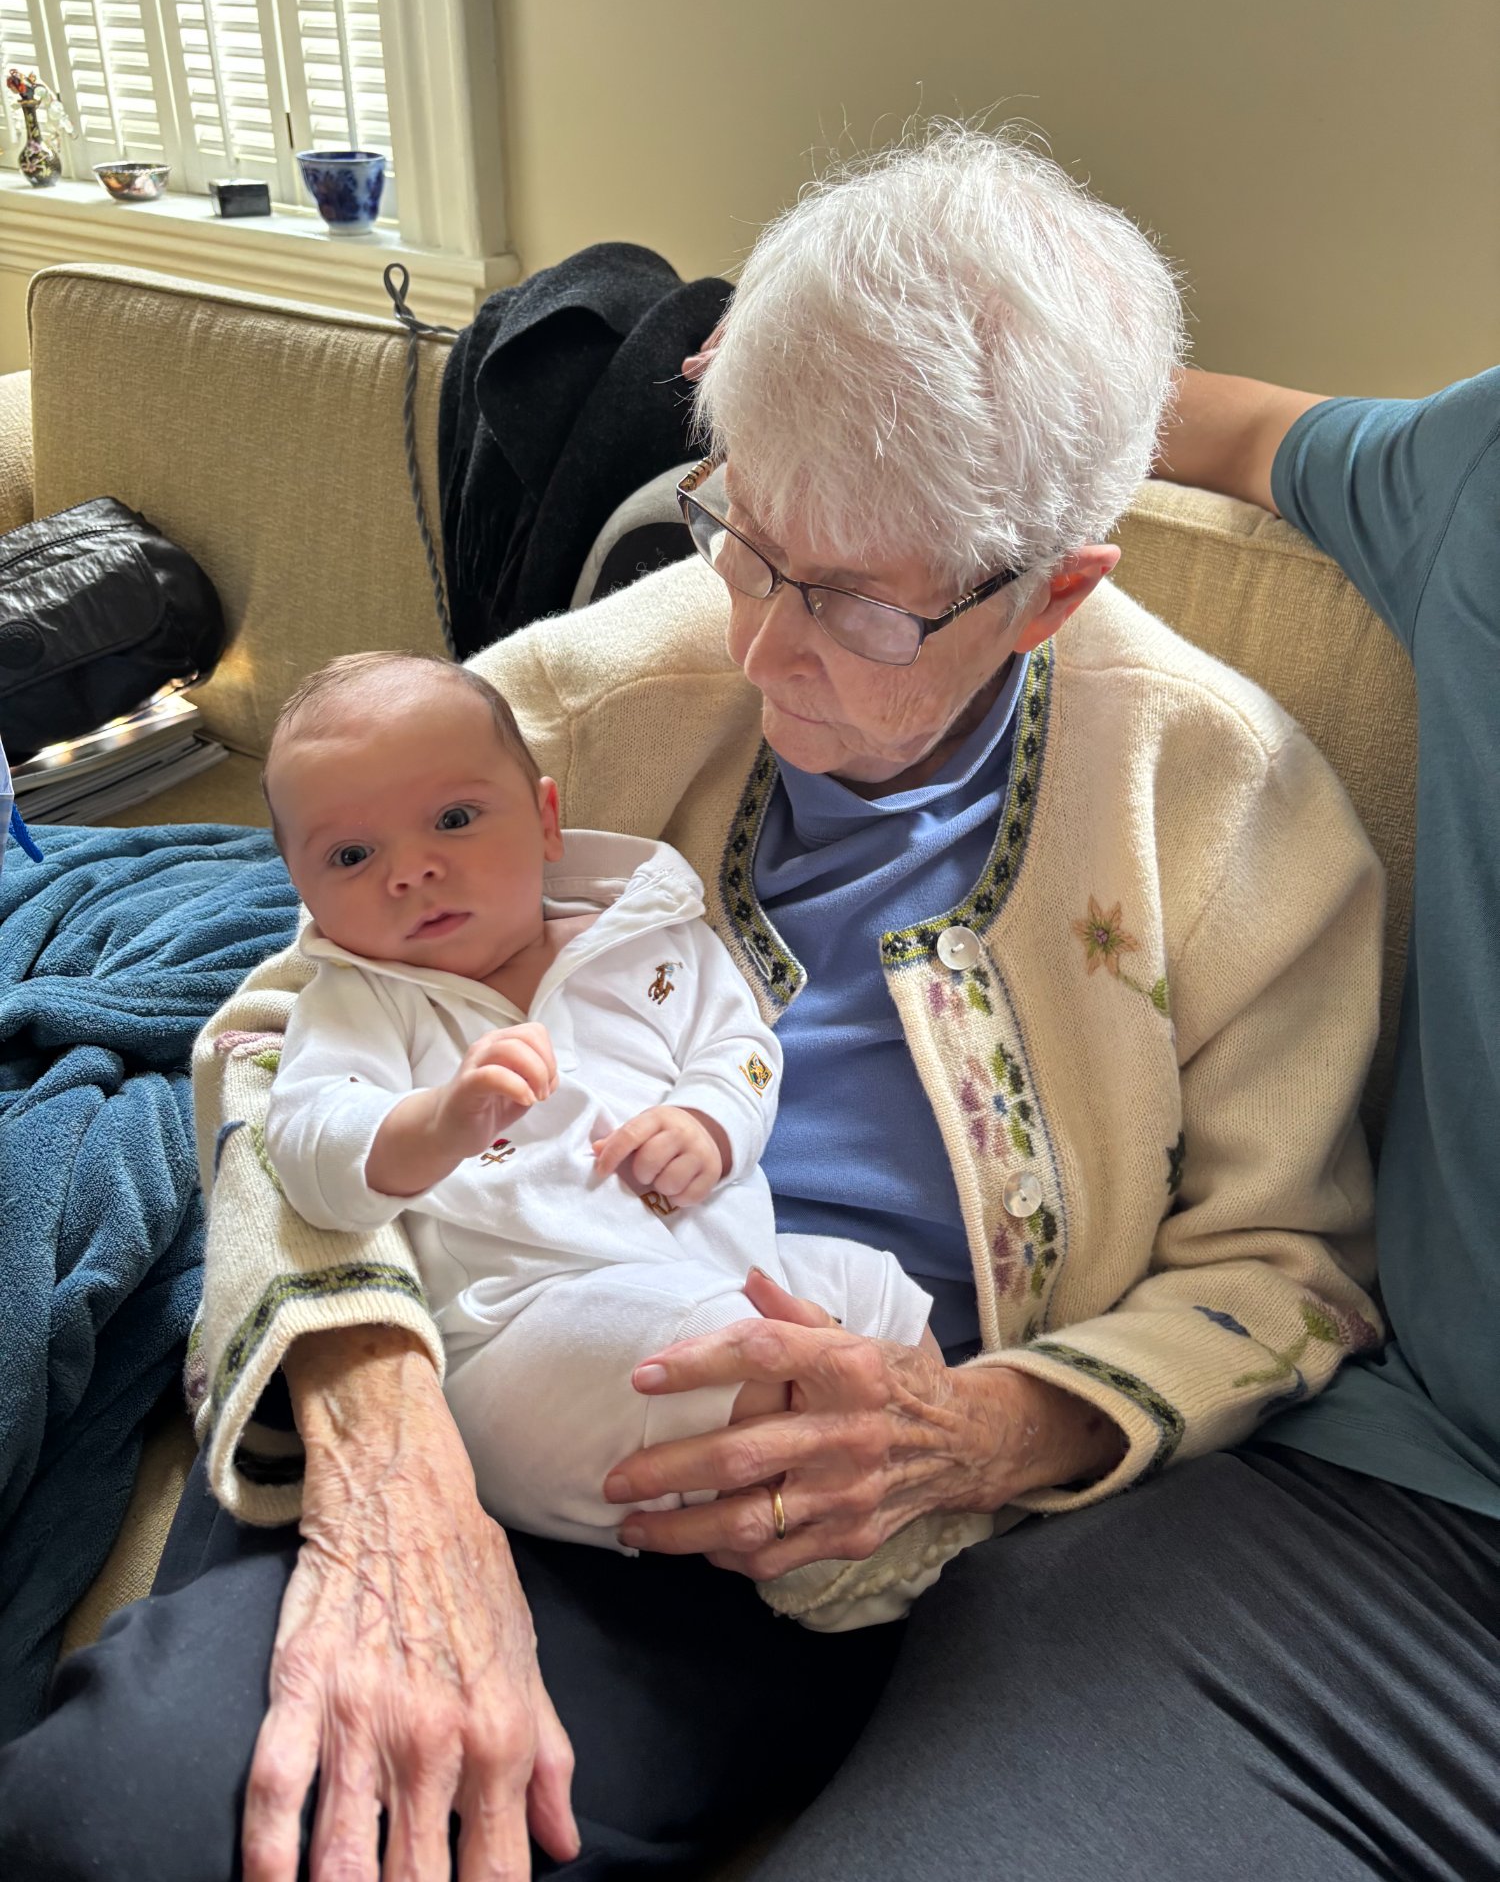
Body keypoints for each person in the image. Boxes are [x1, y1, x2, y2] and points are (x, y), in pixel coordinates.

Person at [0, 128, 1389, 1882]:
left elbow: (1289, 1270)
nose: (755, 645)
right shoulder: (582, 698)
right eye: (746, 538)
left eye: (857, 608)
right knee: (116, 1819)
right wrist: (377, 1417)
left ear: (1052, 590)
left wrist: (971, 1432)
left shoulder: (1231, 807)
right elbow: (276, 1034)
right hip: (472, 1346)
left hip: (823, 1511)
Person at [259, 651, 943, 1613]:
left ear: (545, 821)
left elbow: (743, 1047)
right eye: (350, 856)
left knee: (876, 1292)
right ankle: (840, 1581)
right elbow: (309, 1141)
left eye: (455, 819)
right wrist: (438, 1121)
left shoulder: (651, 940)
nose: (412, 869)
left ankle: (925, 1510)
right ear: (302, 886)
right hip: (530, 1330)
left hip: (727, 1259)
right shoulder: (363, 1000)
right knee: (734, 1353)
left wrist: (709, 1117)